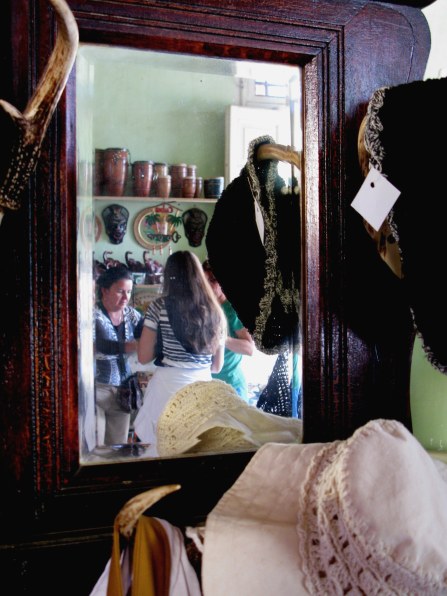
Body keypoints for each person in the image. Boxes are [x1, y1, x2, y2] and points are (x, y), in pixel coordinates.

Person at [133, 251, 226, 454]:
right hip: (202, 390)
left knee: (161, 451)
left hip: (166, 390)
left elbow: (143, 357)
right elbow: (217, 367)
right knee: (194, 452)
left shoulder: (159, 306)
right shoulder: (215, 311)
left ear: (169, 275)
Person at [94, 266, 143, 445]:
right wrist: (129, 346)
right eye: (120, 291)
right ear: (105, 290)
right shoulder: (92, 315)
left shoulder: (132, 315)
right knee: (93, 446)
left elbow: (149, 333)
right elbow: (95, 346)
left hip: (123, 391)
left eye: (129, 292)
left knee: (117, 446)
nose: (125, 298)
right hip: (95, 390)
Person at [202, 259, 254, 400]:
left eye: (213, 281)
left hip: (231, 385)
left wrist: (221, 338)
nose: (208, 286)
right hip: (207, 383)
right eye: (204, 281)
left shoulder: (232, 309)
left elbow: (250, 349)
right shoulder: (203, 307)